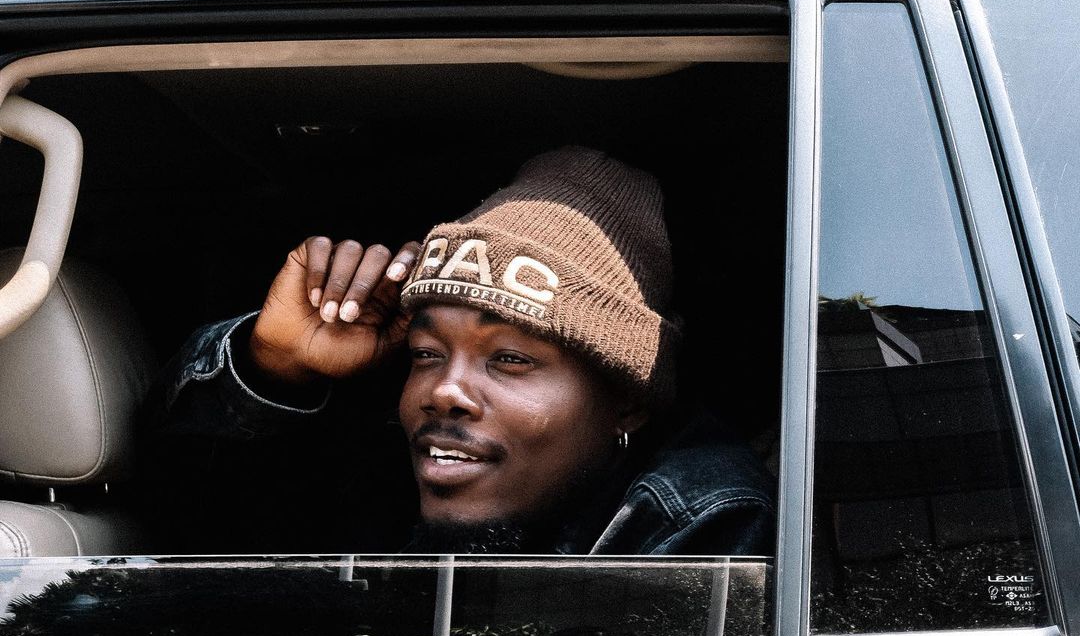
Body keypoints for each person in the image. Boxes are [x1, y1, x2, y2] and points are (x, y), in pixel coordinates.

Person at [141, 146, 774, 556]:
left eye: (510, 358)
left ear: (627, 402)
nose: (444, 390)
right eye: (425, 352)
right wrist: (276, 366)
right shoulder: (382, 468)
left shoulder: (698, 525)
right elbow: (175, 514)